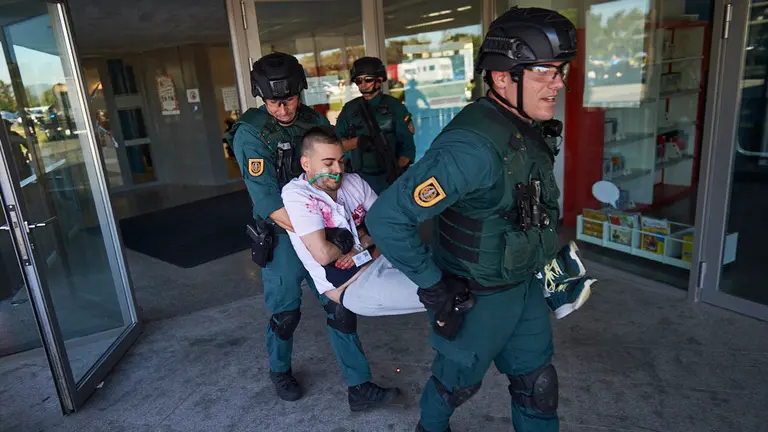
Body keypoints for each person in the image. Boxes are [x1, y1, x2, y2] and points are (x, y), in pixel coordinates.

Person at [365, 7, 591, 432]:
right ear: (503, 76)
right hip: (478, 299)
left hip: (526, 289)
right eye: (544, 71)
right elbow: (387, 218)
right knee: (454, 388)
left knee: (538, 387)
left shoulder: (525, 126)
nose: (558, 83)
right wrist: (433, 286)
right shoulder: (469, 149)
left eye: (560, 70)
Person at [227, 52, 399, 410]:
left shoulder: (313, 121)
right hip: (283, 233)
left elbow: (333, 173)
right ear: (262, 96)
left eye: (289, 100)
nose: (284, 110)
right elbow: (266, 201)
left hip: (326, 229)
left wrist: (350, 229)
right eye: (275, 102)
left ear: (299, 91)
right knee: (286, 314)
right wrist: (320, 236)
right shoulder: (251, 132)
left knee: (341, 306)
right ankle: (279, 369)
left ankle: (359, 386)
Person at [281, 126, 426, 317]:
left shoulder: (354, 181)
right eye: (328, 163)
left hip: (384, 257)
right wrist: (363, 234)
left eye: (341, 161)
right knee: (444, 293)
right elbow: (323, 254)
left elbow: (389, 224)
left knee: (453, 273)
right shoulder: (298, 195)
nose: (338, 170)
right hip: (356, 283)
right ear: (306, 164)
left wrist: (360, 243)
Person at [336, 56, 416, 194]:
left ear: (379, 81)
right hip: (357, 179)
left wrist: (396, 169)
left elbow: (407, 149)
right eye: (358, 80)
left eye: (368, 79)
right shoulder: (350, 109)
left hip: (389, 178)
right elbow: (335, 145)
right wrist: (357, 142)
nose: (363, 84)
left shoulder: (394, 107)